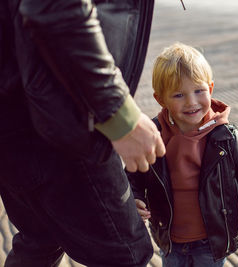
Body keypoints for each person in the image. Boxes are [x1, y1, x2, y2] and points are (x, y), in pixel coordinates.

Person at [0, 0, 165, 266]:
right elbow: (54, 7)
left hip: (17, 109)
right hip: (57, 119)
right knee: (127, 255)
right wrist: (120, 115)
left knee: (41, 239)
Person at [127, 42, 238, 267]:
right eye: (178, 95)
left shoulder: (225, 137)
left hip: (211, 242)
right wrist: (136, 197)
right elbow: (133, 173)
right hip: (170, 242)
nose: (191, 102)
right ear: (161, 99)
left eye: (198, 91)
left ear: (210, 88)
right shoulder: (154, 134)